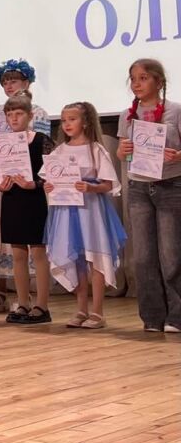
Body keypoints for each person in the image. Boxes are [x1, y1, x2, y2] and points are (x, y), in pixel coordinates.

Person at [42, 102, 126, 329]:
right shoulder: (59, 151)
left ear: (86, 122)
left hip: (91, 211)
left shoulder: (95, 149)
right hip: (66, 212)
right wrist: (49, 186)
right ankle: (81, 309)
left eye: (72, 119)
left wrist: (91, 187)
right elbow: (50, 178)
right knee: (75, 258)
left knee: (95, 257)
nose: (67, 124)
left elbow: (108, 184)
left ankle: (97, 312)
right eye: (64, 120)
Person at [0, 59, 51, 313]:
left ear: (26, 82)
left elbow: (43, 151)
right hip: (7, 187)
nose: (9, 85)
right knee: (6, 242)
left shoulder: (38, 112)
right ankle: (3, 292)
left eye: (14, 80)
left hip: (32, 188)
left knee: (34, 247)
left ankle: (35, 300)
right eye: (5, 82)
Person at [116, 58, 181, 333]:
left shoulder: (175, 111)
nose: (137, 84)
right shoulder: (127, 115)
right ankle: (152, 316)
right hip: (139, 188)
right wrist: (122, 151)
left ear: (159, 81)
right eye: (133, 79)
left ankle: (177, 316)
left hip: (171, 185)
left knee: (171, 255)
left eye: (143, 78)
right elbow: (122, 152)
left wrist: (177, 156)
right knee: (143, 257)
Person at [0, 91, 54, 325]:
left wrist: (34, 184)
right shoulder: (3, 143)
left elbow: (53, 172)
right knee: (18, 254)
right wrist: (0, 185)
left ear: (30, 116)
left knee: (39, 253)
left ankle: (42, 306)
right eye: (9, 114)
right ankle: (23, 303)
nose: (13, 118)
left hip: (34, 200)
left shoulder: (41, 140)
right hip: (12, 199)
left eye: (19, 113)